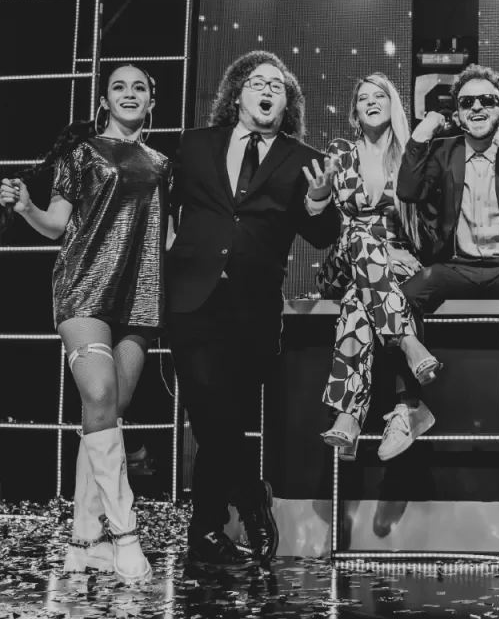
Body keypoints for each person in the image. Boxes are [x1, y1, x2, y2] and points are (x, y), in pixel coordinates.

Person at [168, 50, 341, 566]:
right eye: (258, 82)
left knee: (225, 418)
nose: (267, 90)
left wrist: (318, 200)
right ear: (237, 94)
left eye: (278, 87)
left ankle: (205, 531)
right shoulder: (195, 144)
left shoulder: (303, 158)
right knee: (207, 407)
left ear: (288, 104)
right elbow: (163, 209)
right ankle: (249, 495)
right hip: (192, 298)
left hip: (254, 307)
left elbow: (323, 234)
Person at [1, 64, 166, 583]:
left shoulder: (163, 164)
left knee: (106, 414)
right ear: (104, 100)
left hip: (139, 297)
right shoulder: (83, 153)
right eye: (119, 86)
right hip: (84, 289)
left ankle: (83, 543)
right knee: (98, 397)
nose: (129, 93)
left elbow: (169, 237)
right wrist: (27, 206)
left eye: (139, 87)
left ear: (152, 101)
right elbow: (56, 224)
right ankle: (125, 533)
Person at [394, 64, 499, 460]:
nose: (478, 107)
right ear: (458, 113)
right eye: (468, 102)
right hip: (455, 266)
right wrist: (420, 135)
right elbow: (408, 190)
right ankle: (409, 406)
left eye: (488, 100)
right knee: (404, 296)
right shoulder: (443, 151)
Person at [316, 73, 441, 462]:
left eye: (379, 96)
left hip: (389, 270)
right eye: (363, 98)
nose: (371, 102)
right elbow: (332, 221)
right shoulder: (340, 151)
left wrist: (393, 254)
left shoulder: (409, 153)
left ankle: (348, 416)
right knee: (359, 236)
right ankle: (406, 340)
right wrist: (383, 251)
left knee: (357, 303)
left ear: (392, 105)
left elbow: (427, 221)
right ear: (355, 111)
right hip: (343, 260)